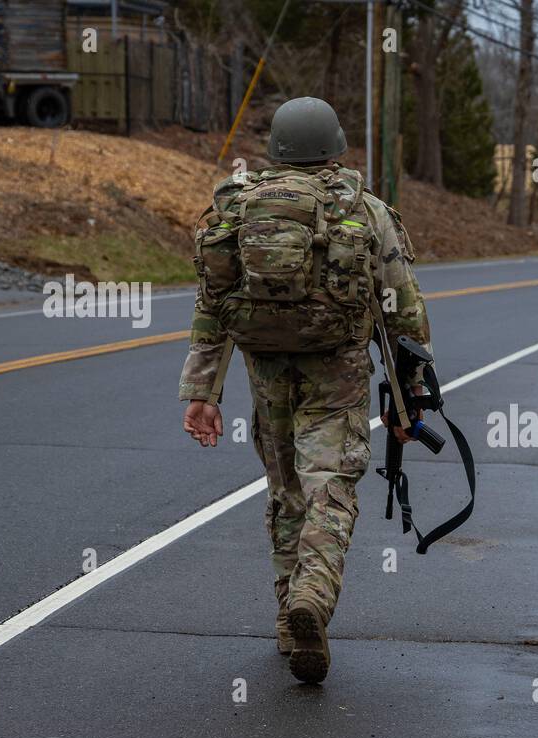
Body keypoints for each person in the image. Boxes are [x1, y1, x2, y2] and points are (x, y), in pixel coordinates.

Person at [178, 97, 432, 685]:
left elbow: (212, 304)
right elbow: (402, 308)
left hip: (265, 369)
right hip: (337, 367)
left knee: (286, 488)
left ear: (276, 149)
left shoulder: (239, 211)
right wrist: (411, 393)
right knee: (331, 485)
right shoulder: (365, 211)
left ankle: (286, 619)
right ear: (335, 146)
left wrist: (202, 393)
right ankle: (311, 600)